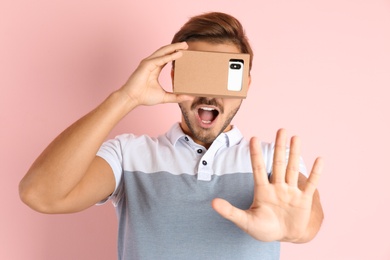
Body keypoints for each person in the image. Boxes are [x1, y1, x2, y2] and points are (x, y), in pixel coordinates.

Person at [19, 12, 324, 260]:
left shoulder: (272, 161)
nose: (209, 92)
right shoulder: (129, 156)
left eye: (225, 76)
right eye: (199, 73)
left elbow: (308, 221)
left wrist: (294, 230)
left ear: (245, 83)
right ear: (174, 75)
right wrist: (126, 97)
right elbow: (40, 194)